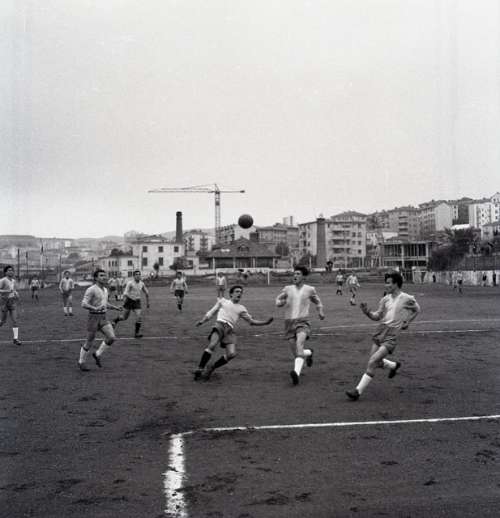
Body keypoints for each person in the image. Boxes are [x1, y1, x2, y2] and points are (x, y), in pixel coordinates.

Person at [346, 271, 421, 401]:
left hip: (392, 334)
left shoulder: (407, 298)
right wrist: (367, 312)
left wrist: (408, 321)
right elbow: (378, 316)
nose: (386, 285)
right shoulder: (385, 299)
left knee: (372, 362)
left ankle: (357, 391)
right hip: (380, 331)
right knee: (375, 361)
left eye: (388, 283)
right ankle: (393, 366)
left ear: (396, 284)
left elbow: (417, 309)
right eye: (385, 283)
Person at [194, 285, 273, 380]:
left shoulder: (241, 308)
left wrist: (266, 322)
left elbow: (251, 322)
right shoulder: (223, 301)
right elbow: (211, 312)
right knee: (212, 345)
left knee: (231, 354)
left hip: (230, 330)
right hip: (220, 325)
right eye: (237, 291)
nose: (239, 293)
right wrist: (202, 321)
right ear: (231, 294)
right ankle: (200, 368)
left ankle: (212, 367)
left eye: (241, 292)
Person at [275, 266, 325, 386]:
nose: (295, 276)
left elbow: (318, 302)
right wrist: (279, 302)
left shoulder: (310, 289)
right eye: (294, 274)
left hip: (303, 322)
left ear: (303, 277)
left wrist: (320, 311)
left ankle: (296, 374)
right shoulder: (287, 289)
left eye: (298, 274)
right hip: (289, 322)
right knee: (297, 353)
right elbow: (278, 299)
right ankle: (309, 353)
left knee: (299, 344)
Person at [78, 269, 122, 371]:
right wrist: (95, 308)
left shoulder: (105, 290)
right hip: (93, 317)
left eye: (105, 275)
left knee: (111, 337)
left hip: (103, 317)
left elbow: (105, 303)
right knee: (89, 341)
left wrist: (115, 308)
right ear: (96, 278)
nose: (104, 277)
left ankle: (97, 354)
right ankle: (81, 362)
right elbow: (83, 304)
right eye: (101, 275)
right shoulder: (91, 289)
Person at [112, 270, 150, 338]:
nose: (138, 276)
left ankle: (136, 333)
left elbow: (146, 292)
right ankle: (116, 320)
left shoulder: (142, 283)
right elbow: (125, 293)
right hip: (129, 301)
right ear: (134, 276)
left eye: (139, 274)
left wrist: (148, 302)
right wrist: (124, 301)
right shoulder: (130, 283)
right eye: (136, 274)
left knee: (139, 317)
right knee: (124, 317)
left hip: (137, 302)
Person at [0, 266, 21, 345]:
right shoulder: (3, 280)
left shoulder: (14, 281)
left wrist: (16, 294)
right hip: (4, 302)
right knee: (3, 321)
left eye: (12, 270)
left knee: (15, 321)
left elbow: (14, 290)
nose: (11, 271)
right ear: (5, 272)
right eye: (9, 270)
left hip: (12, 302)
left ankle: (15, 339)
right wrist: (7, 291)